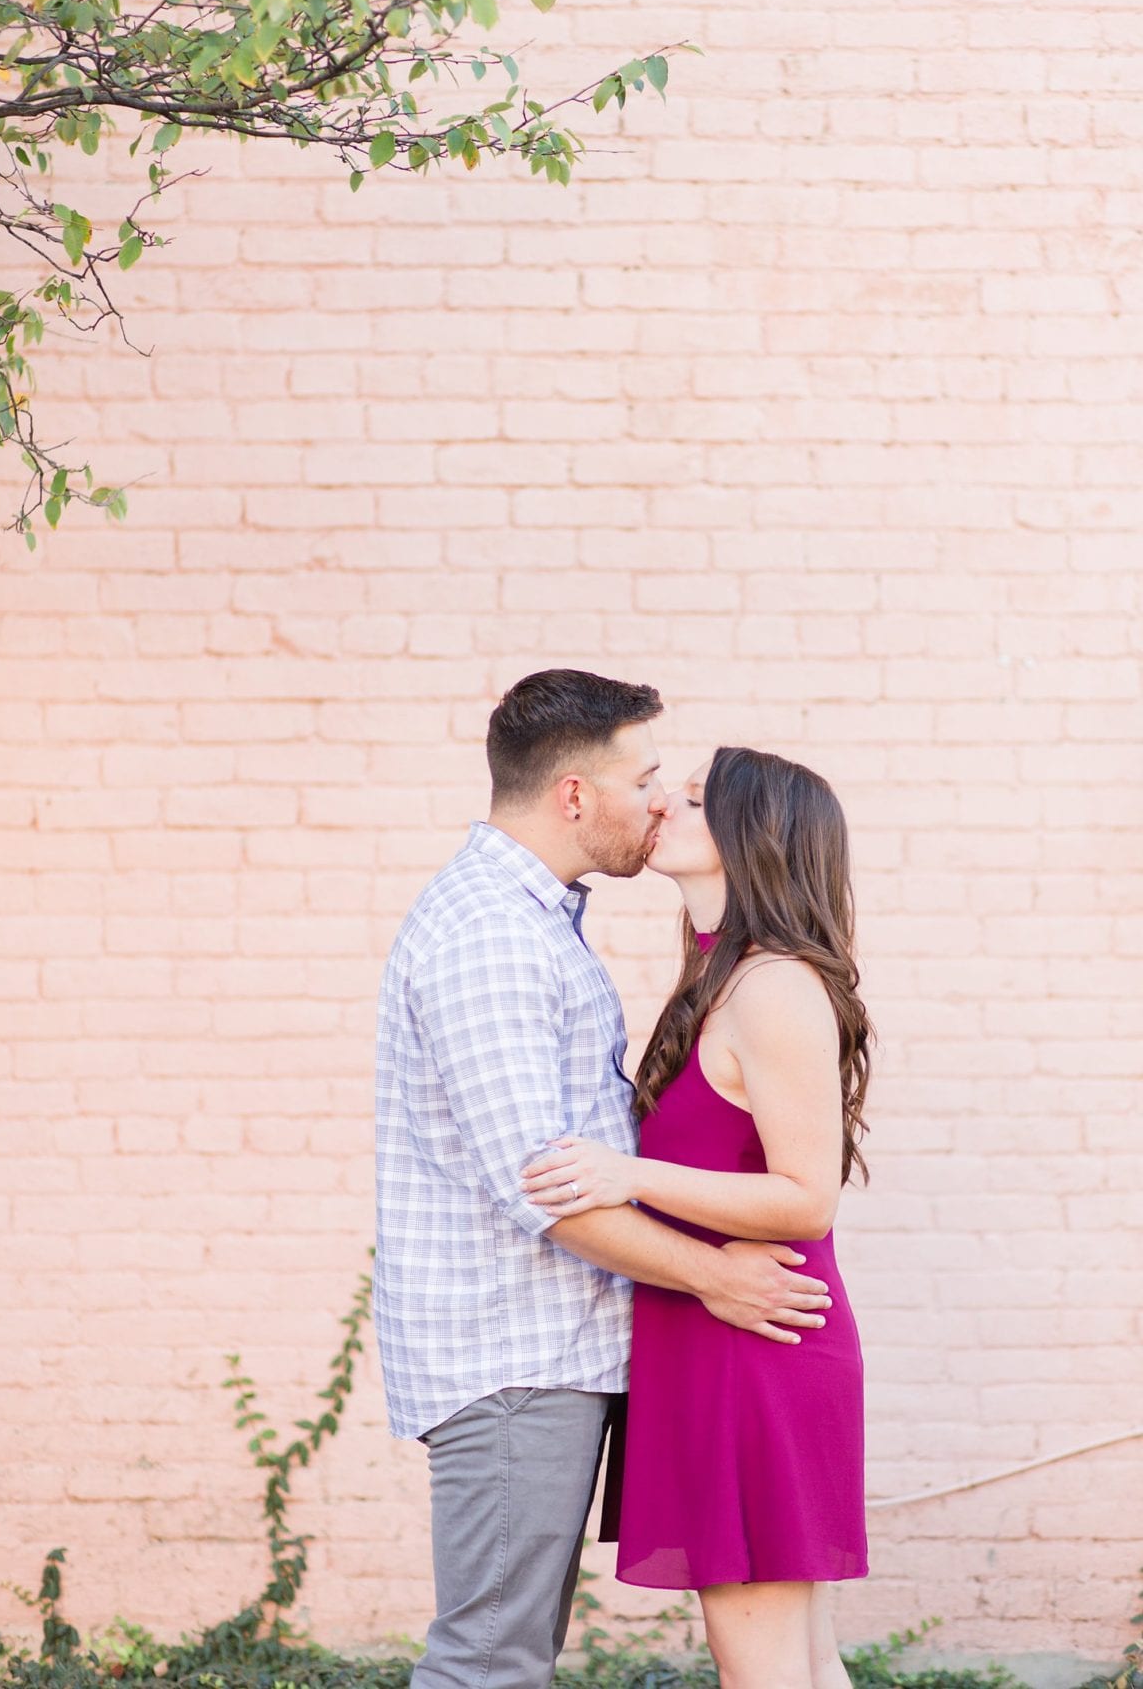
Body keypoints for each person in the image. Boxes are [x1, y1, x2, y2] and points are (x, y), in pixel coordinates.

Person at [374, 674, 836, 1689]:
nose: (661, 798)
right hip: (513, 1355)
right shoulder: (494, 936)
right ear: (576, 796)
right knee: (490, 1660)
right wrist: (710, 1276)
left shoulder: (546, 926)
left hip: (563, 1350)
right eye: (646, 777)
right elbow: (544, 1187)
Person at [523, 746, 871, 1689]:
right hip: (723, 1336)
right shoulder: (722, 979)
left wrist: (624, 1174)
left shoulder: (775, 989)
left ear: (752, 836)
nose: (659, 804)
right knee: (797, 1665)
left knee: (764, 1670)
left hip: (759, 1345)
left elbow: (808, 1196)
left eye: (690, 797)